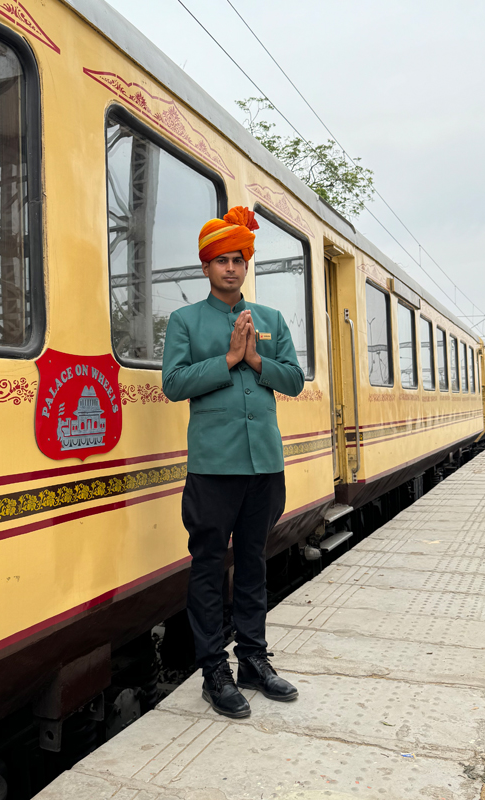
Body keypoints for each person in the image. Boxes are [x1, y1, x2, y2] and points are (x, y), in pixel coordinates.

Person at [162, 206, 305, 719]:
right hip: (213, 468)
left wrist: (256, 360)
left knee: (252, 564)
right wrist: (227, 359)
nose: (231, 268)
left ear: (247, 265)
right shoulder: (184, 321)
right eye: (221, 260)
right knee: (207, 567)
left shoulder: (270, 320)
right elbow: (173, 383)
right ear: (206, 266)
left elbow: (294, 380)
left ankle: (253, 661)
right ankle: (213, 670)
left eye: (238, 260)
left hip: (264, 464)